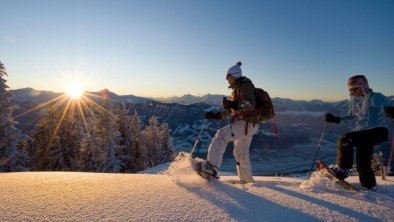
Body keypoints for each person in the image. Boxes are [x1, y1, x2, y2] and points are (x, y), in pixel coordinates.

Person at [325, 75, 394, 190]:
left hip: (378, 131)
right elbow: (352, 116)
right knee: (362, 164)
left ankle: (342, 170)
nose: (351, 92)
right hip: (363, 134)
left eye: (354, 88)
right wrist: (336, 119)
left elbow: (390, 105)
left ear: (363, 87)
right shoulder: (356, 102)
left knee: (345, 140)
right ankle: (369, 186)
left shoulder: (376, 97)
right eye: (350, 89)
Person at [201, 61, 260, 183]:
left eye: (228, 76)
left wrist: (232, 104)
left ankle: (211, 168)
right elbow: (234, 110)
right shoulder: (238, 88)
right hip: (249, 123)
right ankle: (248, 181)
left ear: (234, 75)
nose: (226, 79)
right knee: (240, 152)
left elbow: (250, 104)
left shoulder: (244, 86)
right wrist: (217, 116)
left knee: (221, 135)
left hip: (246, 123)